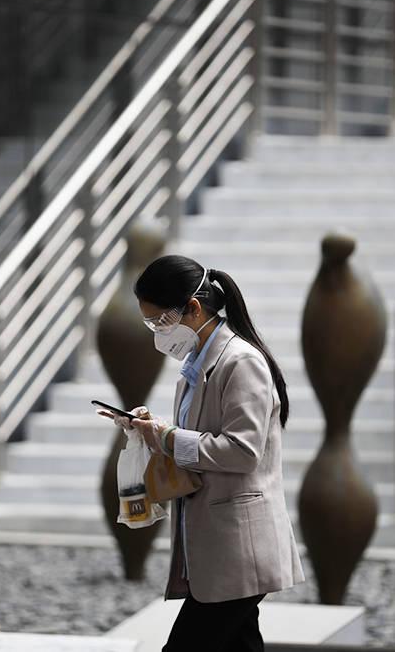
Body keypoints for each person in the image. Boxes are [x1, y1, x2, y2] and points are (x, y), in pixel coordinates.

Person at [100, 255, 304, 652]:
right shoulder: (198, 363)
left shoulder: (241, 362)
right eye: (151, 324)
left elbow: (242, 451)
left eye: (161, 320)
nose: (158, 332)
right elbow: (198, 438)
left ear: (193, 308)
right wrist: (151, 429)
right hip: (218, 544)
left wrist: (166, 436)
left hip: (238, 546)